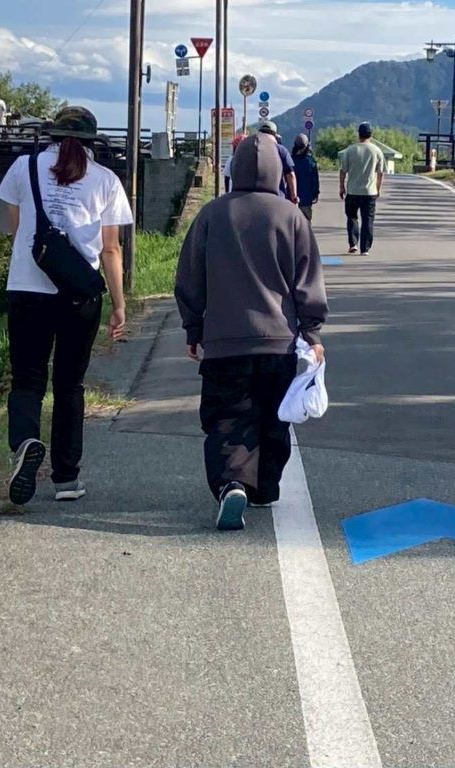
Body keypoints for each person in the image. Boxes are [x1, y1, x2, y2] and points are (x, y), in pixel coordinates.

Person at [175, 133, 328, 531]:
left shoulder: (212, 214)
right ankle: (264, 487)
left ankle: (232, 482)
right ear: (278, 171)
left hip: (224, 340)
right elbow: (308, 280)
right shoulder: (291, 217)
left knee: (228, 416)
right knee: (273, 417)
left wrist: (193, 327)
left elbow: (190, 276)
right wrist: (311, 332)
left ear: (234, 168)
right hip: (279, 342)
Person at [0, 106, 133, 505]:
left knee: (27, 379)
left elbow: (16, 229)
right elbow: (111, 249)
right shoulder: (105, 180)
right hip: (78, 294)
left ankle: (25, 442)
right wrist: (119, 305)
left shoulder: (23, 167)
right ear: (92, 140)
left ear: (52, 134)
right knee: (70, 384)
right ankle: (66, 479)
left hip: (27, 288)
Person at [338, 122, 385, 256]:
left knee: (352, 217)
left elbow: (343, 171)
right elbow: (380, 173)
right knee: (368, 220)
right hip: (369, 191)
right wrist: (378, 188)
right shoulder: (376, 151)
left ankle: (353, 244)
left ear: (359, 134)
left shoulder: (350, 150)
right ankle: (365, 248)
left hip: (352, 191)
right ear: (371, 135)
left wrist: (341, 187)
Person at [257, 121, 299, 204]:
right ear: (274, 135)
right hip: (277, 197)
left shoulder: (253, 149)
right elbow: (290, 174)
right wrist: (294, 196)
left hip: (256, 198)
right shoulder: (281, 150)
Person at [291, 134, 320, 221]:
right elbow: (315, 180)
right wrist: (315, 193)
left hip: (291, 200)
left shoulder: (290, 160)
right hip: (306, 199)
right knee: (306, 224)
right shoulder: (311, 161)